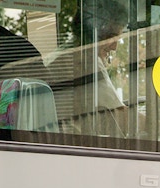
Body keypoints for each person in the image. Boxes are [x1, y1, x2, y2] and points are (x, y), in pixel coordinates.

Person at [44, 0, 128, 136]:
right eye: (111, 37)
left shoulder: (66, 52)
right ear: (94, 31)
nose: (114, 47)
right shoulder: (86, 59)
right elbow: (119, 116)